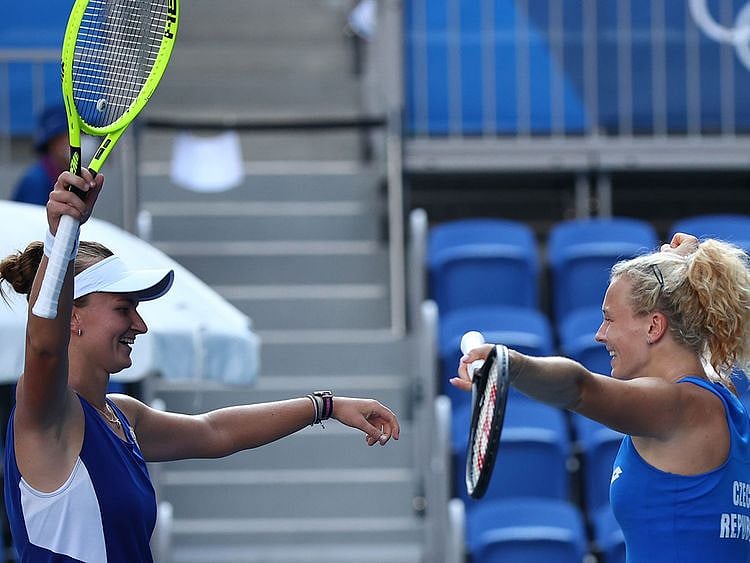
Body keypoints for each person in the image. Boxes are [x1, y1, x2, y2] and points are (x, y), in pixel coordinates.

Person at [0, 169, 400, 562]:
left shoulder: (122, 415)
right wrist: (60, 239)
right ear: (72, 317)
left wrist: (326, 406)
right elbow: (45, 349)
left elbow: (216, 432)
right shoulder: (47, 415)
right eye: (124, 308)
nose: (139, 324)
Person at [453, 233, 750, 562]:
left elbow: (580, 387)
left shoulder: (678, 407)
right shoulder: (722, 394)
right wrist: (683, 267)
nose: (599, 334)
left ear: (654, 327)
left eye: (609, 318)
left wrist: (509, 364)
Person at [10, 104, 69, 206]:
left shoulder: (60, 173)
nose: (79, 141)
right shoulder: (35, 182)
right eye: (69, 135)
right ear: (54, 143)